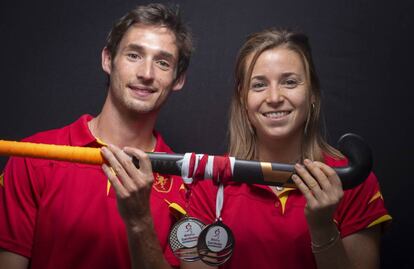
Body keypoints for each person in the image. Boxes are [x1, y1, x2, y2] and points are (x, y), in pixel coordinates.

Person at [0, 3, 193, 269]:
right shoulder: (33, 154)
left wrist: (140, 222)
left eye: (162, 62)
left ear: (178, 78)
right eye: (134, 55)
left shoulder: (190, 186)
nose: (146, 74)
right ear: (107, 59)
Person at [186, 28, 392, 269]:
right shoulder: (210, 183)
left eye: (290, 82)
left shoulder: (352, 182)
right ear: (243, 99)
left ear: (312, 93)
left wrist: (323, 228)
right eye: (260, 85)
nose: (274, 97)